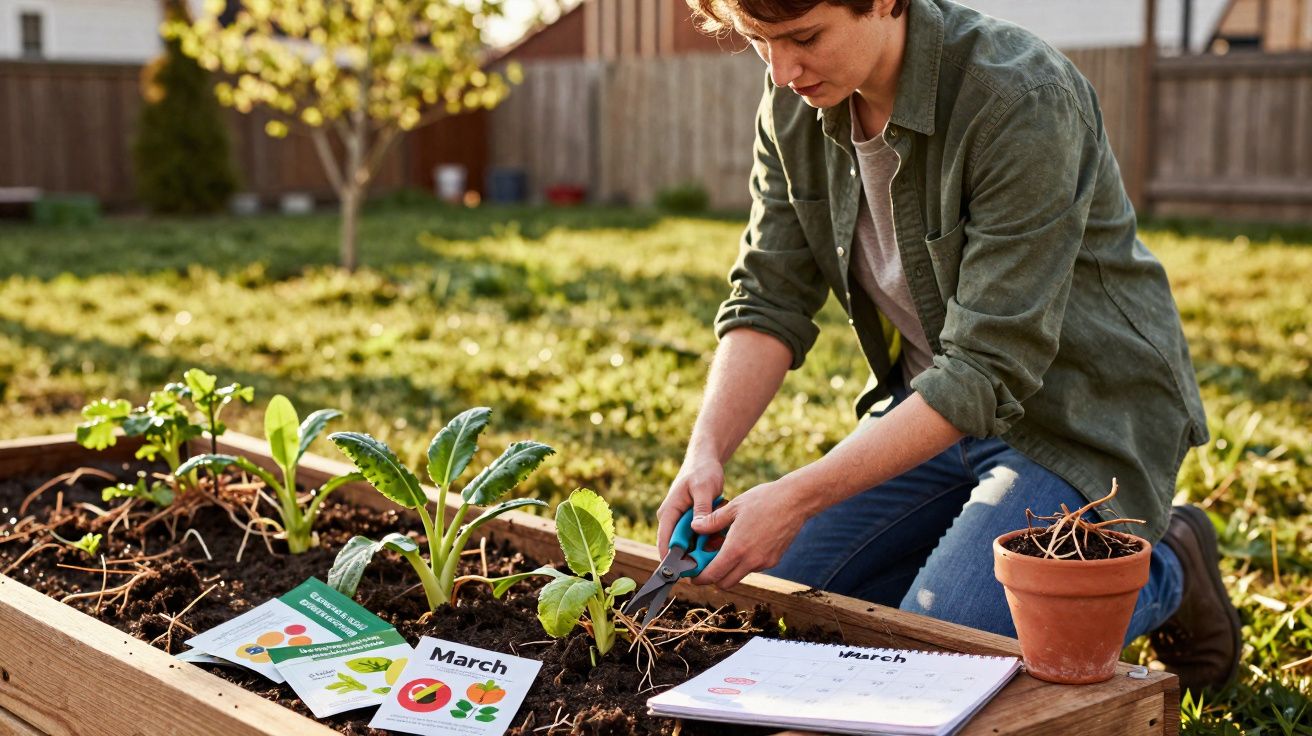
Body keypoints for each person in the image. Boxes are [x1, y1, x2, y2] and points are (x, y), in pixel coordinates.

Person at [653, 0, 1241, 693]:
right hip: (929, 409)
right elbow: (769, 295)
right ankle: (958, 562)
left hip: (1075, 420)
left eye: (805, 37)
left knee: (948, 664)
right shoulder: (796, 103)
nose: (782, 70)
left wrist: (799, 498)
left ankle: (1169, 562)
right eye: (760, 41)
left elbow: (986, 367)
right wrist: (706, 451)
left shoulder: (1021, 97)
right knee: (784, 604)